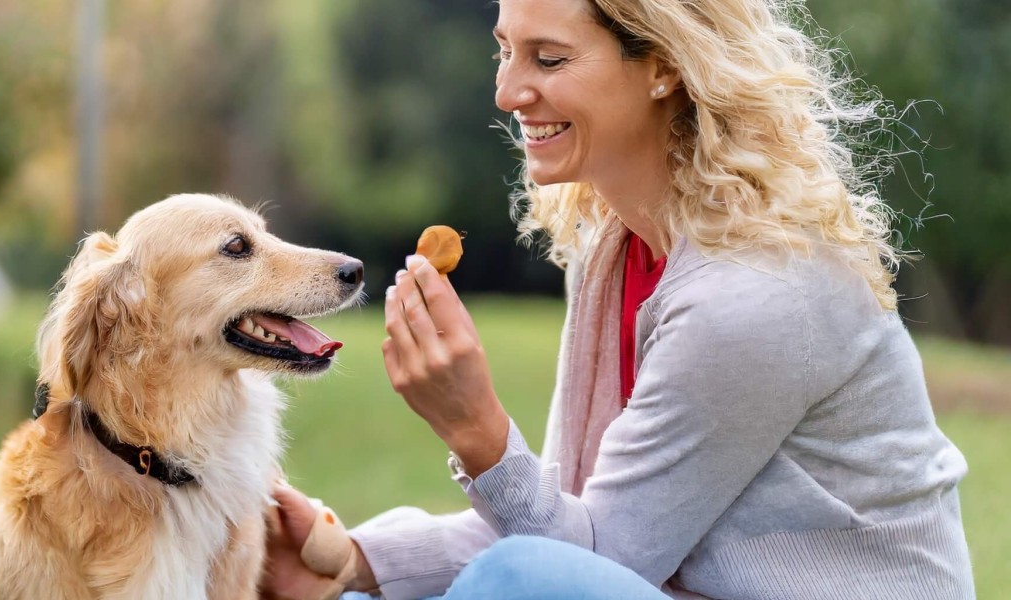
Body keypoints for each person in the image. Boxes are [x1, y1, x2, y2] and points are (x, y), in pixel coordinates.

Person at [261, 0, 976, 597]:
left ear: (664, 65)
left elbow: (586, 568)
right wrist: (351, 560)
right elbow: (575, 521)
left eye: (548, 59)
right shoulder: (619, 246)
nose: (508, 92)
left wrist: (478, 431)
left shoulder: (751, 298)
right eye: (504, 51)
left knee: (515, 576)